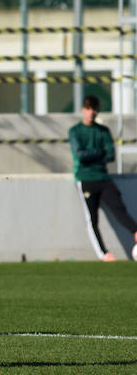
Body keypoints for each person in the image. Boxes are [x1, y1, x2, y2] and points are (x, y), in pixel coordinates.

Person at [69, 95, 137, 262]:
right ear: (82, 110)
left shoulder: (103, 131)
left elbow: (111, 155)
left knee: (119, 209)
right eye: (88, 109)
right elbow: (80, 155)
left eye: (94, 109)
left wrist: (93, 155)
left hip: (102, 177)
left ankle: (136, 232)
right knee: (92, 218)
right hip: (85, 178)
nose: (91, 112)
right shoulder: (75, 131)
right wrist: (99, 153)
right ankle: (104, 254)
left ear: (97, 111)